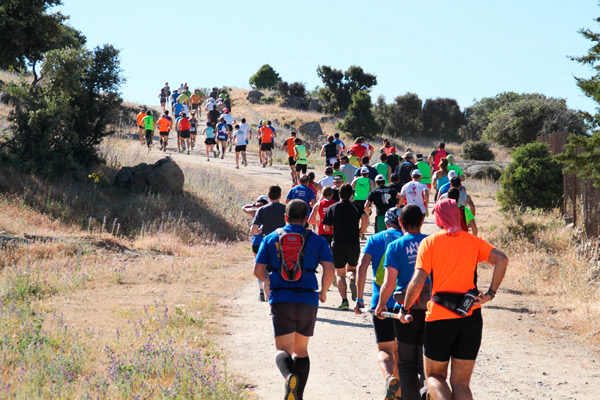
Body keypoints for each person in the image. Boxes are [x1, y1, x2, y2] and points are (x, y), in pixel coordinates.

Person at [396, 199, 508, 400]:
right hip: (470, 316)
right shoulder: (473, 241)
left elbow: (418, 280)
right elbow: (502, 259)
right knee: (462, 384)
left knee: (434, 376)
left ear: (438, 218)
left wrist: (405, 309)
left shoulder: (429, 243)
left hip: (440, 316)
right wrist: (490, 294)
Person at [254, 200, 335, 400]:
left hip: (282, 297)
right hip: (308, 298)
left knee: (282, 350)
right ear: (307, 218)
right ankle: (297, 396)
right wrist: (323, 292)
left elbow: (257, 270)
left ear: (285, 217)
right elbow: (329, 269)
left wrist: (268, 282)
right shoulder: (317, 240)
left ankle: (289, 376)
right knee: (301, 351)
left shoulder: (271, 238)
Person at [375, 205, 429, 400]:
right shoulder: (431, 243)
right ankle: (428, 392)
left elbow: (389, 283)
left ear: (400, 223)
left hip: (406, 309)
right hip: (431, 308)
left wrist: (381, 305)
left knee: (405, 364)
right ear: (422, 222)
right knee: (426, 362)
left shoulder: (395, 246)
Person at [354, 207, 406, 400]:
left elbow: (362, 266)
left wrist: (359, 299)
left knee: (384, 349)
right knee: (400, 351)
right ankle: (399, 393)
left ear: (386, 222)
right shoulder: (410, 241)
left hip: (381, 304)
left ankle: (390, 378)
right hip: (406, 303)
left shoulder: (375, 239)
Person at [322, 183, 369, 310]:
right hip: (353, 243)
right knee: (352, 269)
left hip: (338, 243)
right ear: (351, 194)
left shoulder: (333, 207)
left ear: (339, 194)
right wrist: (361, 231)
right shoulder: (356, 206)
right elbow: (365, 217)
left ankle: (344, 301)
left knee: (340, 274)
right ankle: (353, 280)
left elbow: (326, 227)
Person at [243, 195, 270, 301]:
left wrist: (254, 204)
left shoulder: (255, 213)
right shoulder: (269, 213)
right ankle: (267, 289)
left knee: (259, 266)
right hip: (266, 242)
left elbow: (244, 207)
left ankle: (261, 292)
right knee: (267, 268)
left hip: (256, 243)